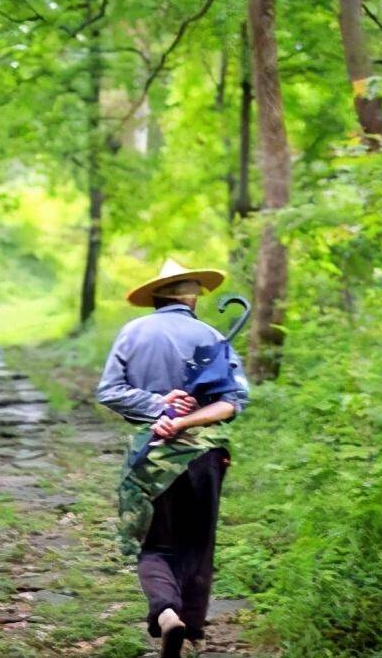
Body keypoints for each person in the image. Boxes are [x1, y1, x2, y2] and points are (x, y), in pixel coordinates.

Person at [96, 259, 250, 658]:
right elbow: (235, 402)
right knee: (198, 546)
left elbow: (109, 391)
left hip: (152, 457)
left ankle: (166, 613)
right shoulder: (214, 336)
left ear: (156, 298)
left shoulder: (133, 332)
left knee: (154, 544)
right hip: (205, 458)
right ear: (193, 297)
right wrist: (189, 419)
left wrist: (158, 408)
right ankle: (194, 634)